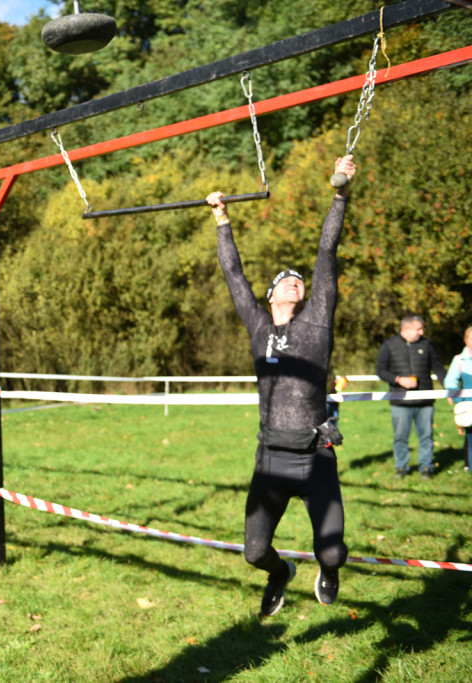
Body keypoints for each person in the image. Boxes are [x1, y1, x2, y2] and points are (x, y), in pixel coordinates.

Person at [207, 153, 356, 618]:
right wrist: (221, 218)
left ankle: (327, 570)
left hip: (316, 457)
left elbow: (326, 253)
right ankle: (281, 573)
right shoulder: (256, 325)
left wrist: (340, 194)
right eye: (285, 282)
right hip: (270, 458)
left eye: (298, 281)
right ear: (271, 296)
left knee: (332, 552)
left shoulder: (316, 321)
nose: (295, 283)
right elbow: (234, 275)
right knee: (253, 552)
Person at [375, 314, 448, 479]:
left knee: (427, 436)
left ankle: (427, 468)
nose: (421, 332)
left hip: (425, 401)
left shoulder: (427, 345)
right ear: (406, 329)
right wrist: (399, 380)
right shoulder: (389, 345)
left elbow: (438, 368)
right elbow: (380, 371)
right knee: (400, 437)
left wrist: (449, 390)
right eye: (418, 329)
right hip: (401, 402)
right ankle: (401, 467)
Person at [443, 325, 472, 473]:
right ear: (466, 340)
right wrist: (459, 404)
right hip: (468, 406)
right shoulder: (459, 360)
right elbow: (450, 383)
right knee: (471, 438)